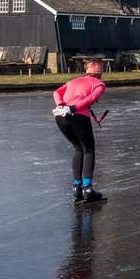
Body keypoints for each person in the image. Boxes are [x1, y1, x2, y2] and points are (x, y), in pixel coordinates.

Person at [53, 59, 107, 203]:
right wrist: (74, 108)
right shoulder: (100, 84)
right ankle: (87, 189)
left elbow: (56, 92)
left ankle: (77, 188)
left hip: (60, 116)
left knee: (78, 148)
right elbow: (91, 98)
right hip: (77, 116)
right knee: (88, 150)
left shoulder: (73, 81)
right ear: (100, 72)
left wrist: (61, 105)